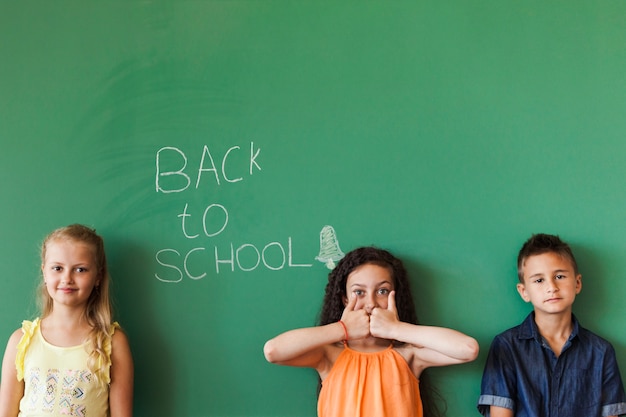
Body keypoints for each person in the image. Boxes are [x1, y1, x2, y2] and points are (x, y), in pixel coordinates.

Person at [264, 246, 479, 417]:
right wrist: (342, 329)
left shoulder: (408, 355)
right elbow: (273, 350)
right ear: (344, 298)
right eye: (359, 292)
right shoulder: (329, 355)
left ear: (395, 295)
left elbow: (468, 349)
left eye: (382, 291)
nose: (371, 303)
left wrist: (397, 329)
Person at [477, 233, 626, 417]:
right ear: (524, 291)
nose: (552, 287)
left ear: (577, 283)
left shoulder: (601, 352)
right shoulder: (506, 346)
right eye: (539, 280)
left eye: (560, 276)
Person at [0, 224, 133, 417]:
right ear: (45, 272)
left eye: (80, 270)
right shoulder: (21, 341)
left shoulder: (112, 342)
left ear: (98, 276)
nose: (67, 278)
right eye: (57, 268)